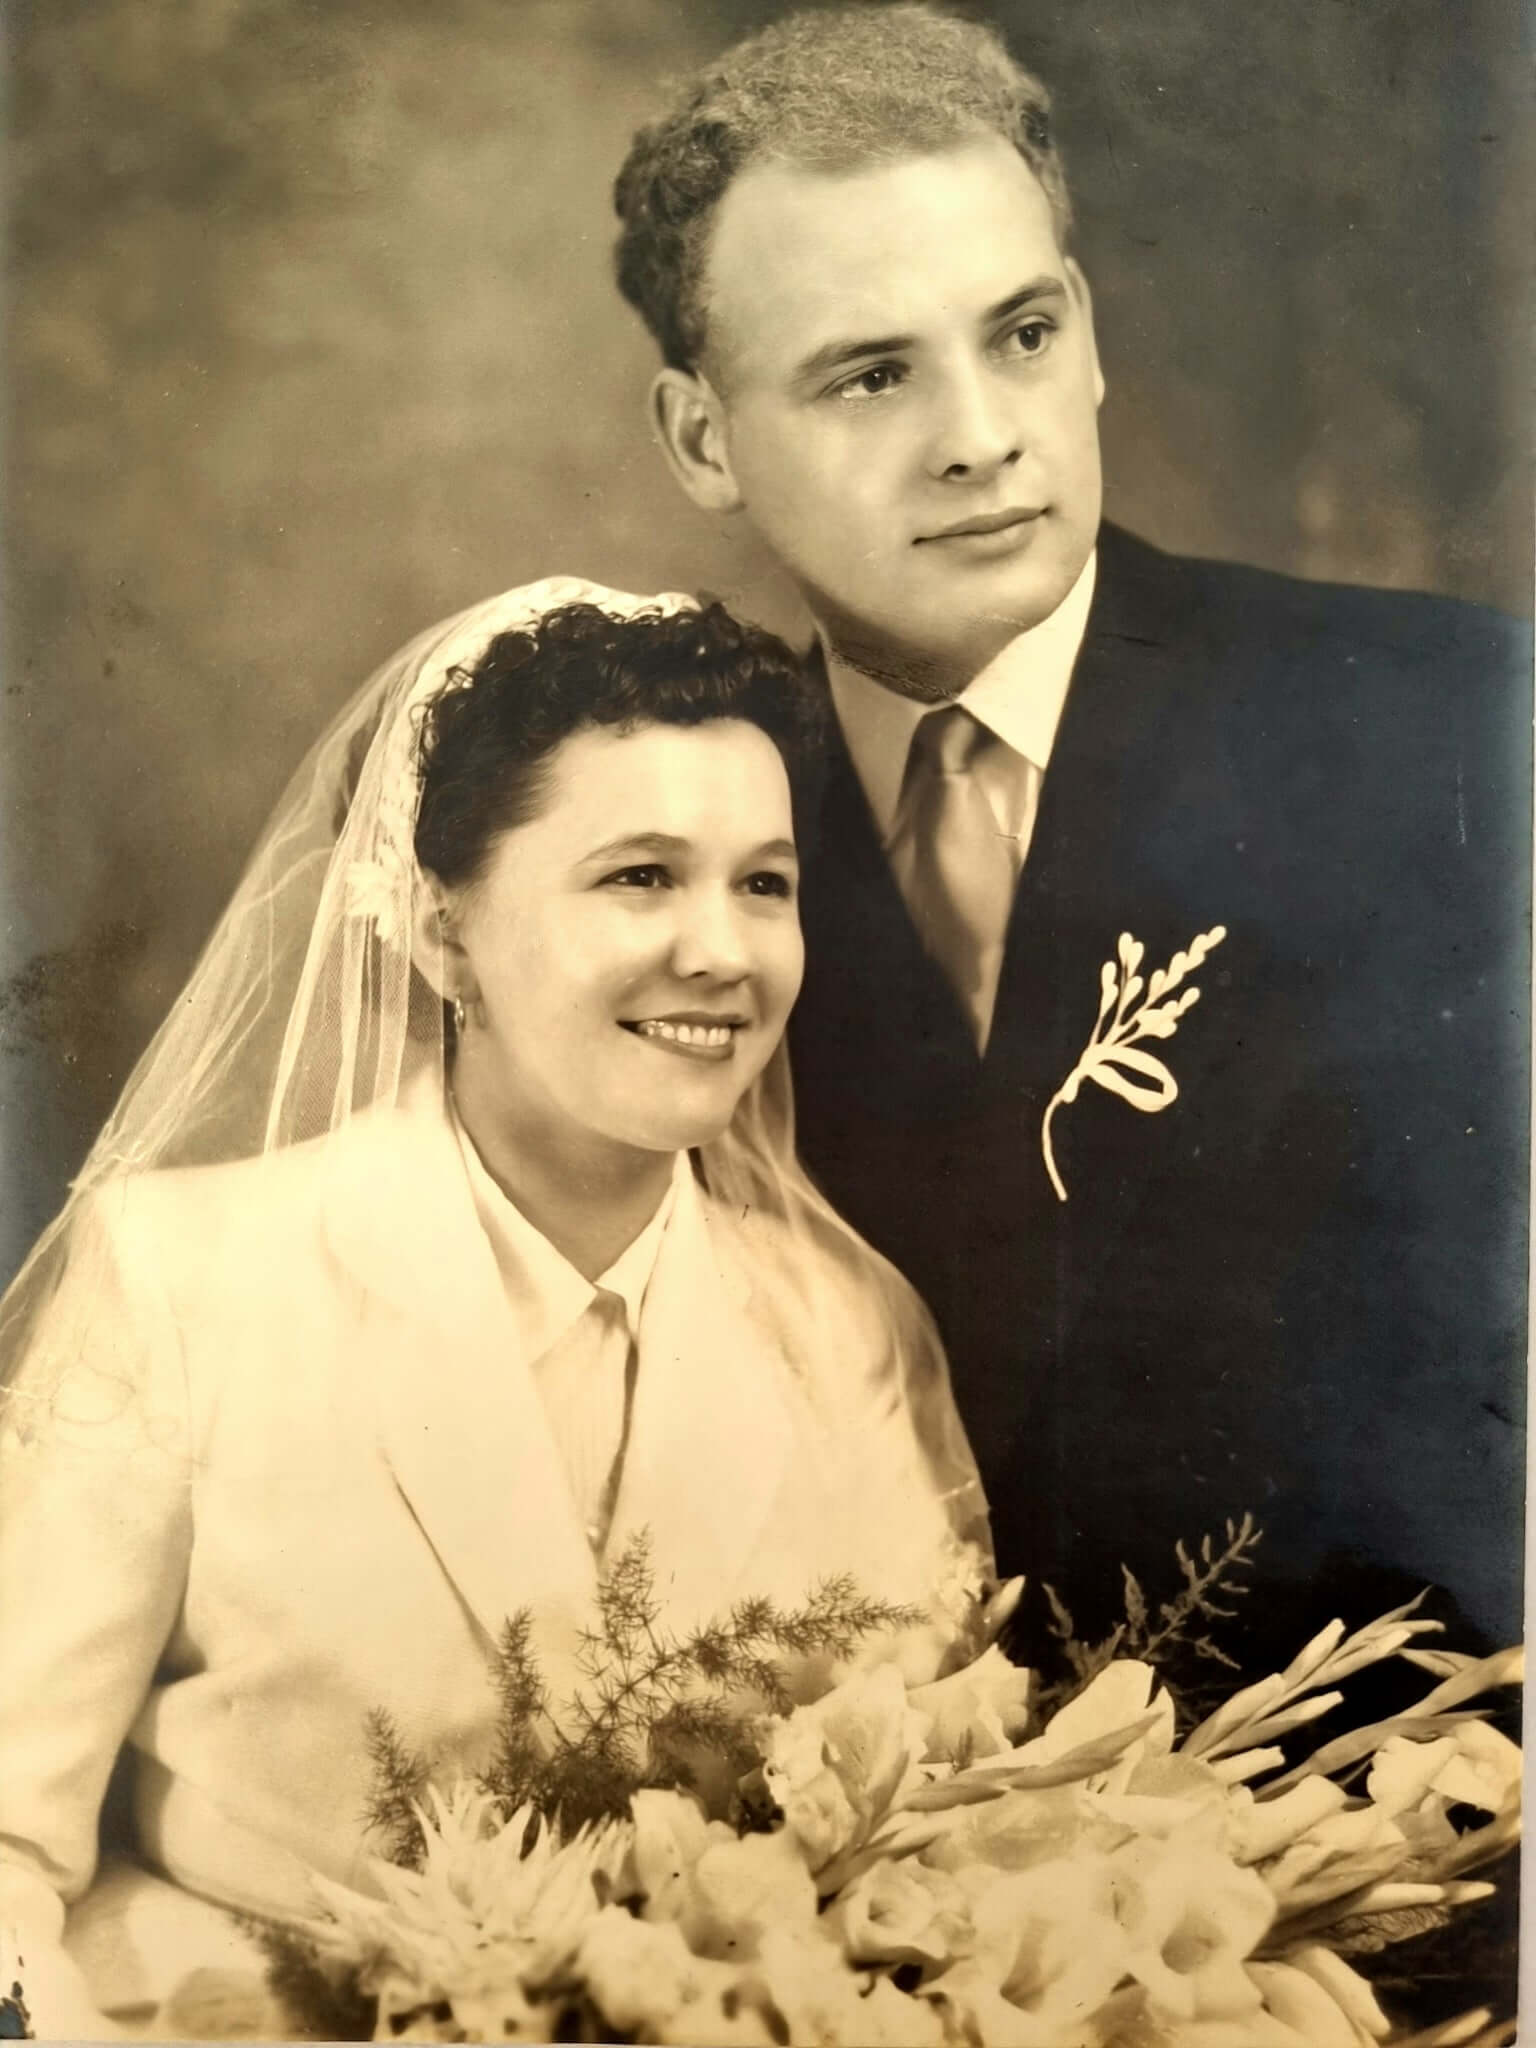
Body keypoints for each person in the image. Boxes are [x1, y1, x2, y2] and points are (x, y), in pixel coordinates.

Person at [614, 5, 1529, 1649]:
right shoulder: (671, 855)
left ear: (1092, 334)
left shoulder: (1460, 728)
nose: (980, 435)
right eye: (871, 372)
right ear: (702, 440)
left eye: (1022, 334)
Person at [0, 580, 988, 2037]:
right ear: (441, 932)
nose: (722, 951)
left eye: (764, 883)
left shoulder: (842, 1326)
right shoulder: (183, 1280)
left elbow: (943, 1802)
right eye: (641, 877)